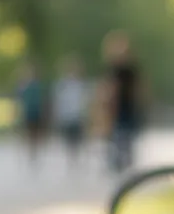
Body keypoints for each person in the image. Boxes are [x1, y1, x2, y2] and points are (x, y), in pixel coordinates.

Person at [101, 31, 144, 174]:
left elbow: (139, 88)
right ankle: (116, 162)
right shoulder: (111, 69)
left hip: (128, 107)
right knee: (115, 137)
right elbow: (106, 88)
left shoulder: (131, 69)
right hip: (114, 109)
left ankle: (125, 163)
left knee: (127, 137)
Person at [52, 56, 91, 170]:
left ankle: (78, 158)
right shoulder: (62, 85)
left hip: (78, 115)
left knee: (79, 138)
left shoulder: (82, 84)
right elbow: (59, 101)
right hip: (67, 116)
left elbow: (86, 100)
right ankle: (72, 158)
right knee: (69, 139)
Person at [16, 63, 47, 168]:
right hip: (28, 112)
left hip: (36, 111)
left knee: (36, 134)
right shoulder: (24, 85)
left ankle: (35, 151)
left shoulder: (37, 85)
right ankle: (30, 152)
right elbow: (19, 98)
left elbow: (41, 99)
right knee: (29, 133)